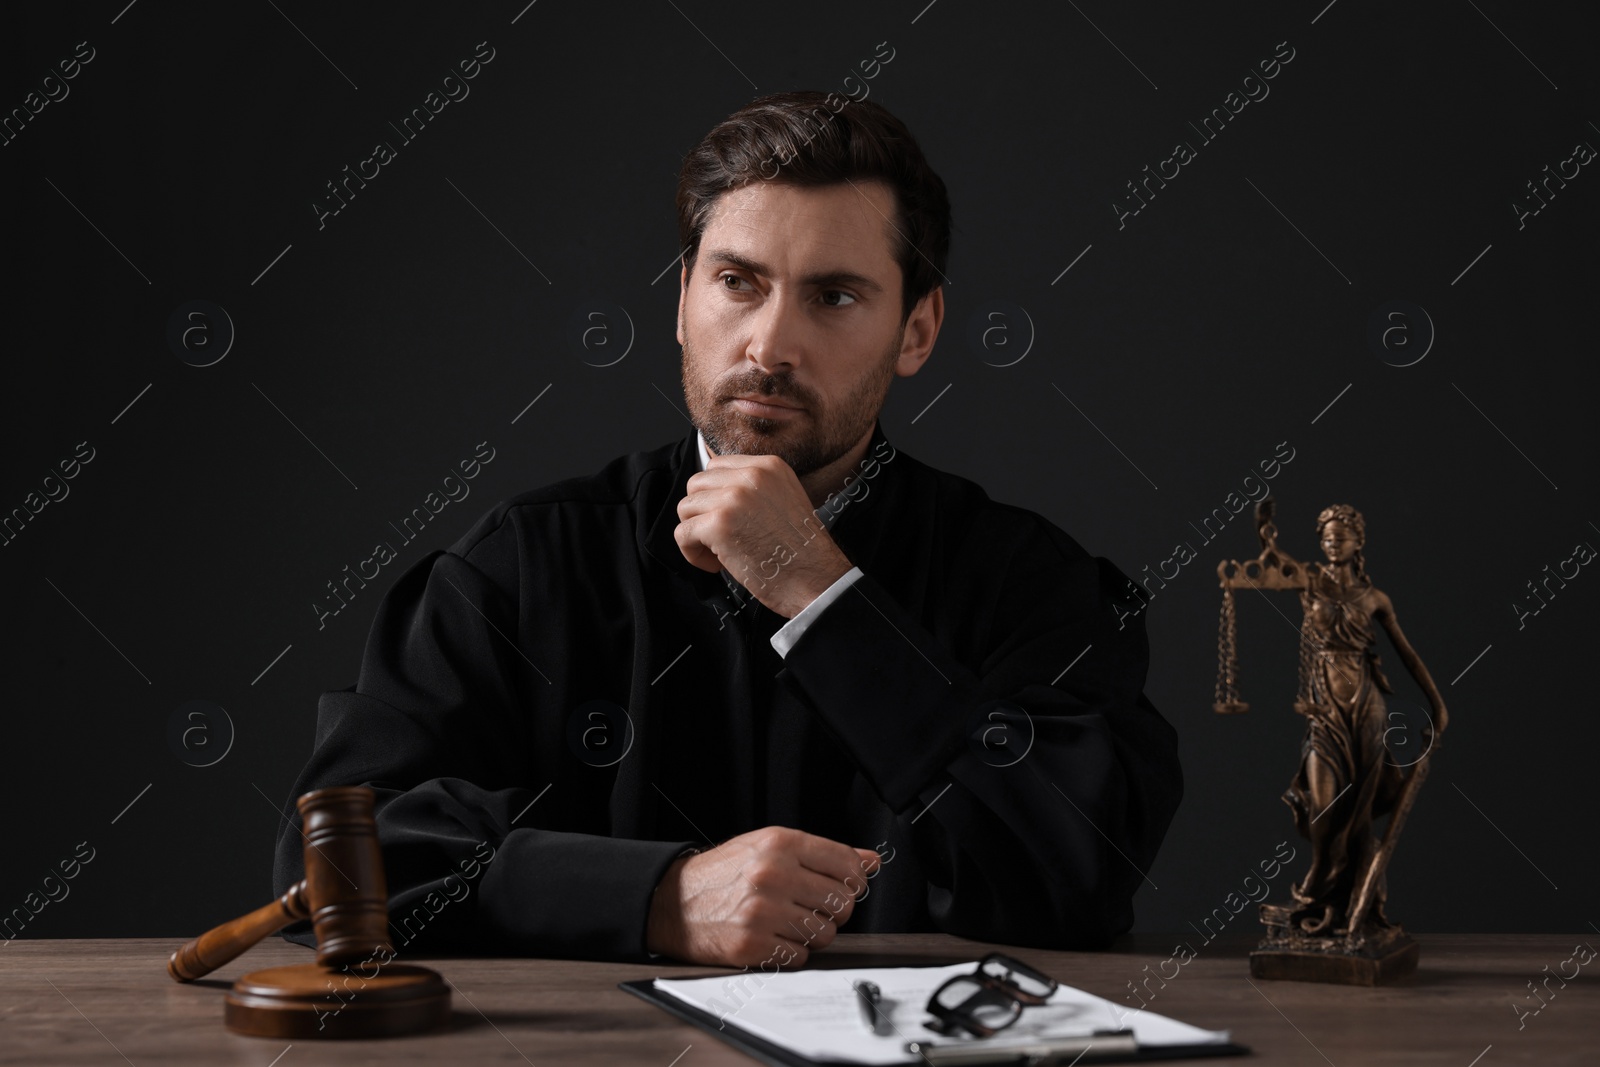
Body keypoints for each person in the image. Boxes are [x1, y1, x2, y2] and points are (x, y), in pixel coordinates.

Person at [272, 90, 1182, 967]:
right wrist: (655, 897)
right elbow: (334, 867)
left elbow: (1084, 872)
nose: (769, 346)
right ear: (682, 301)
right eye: (738, 282)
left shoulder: (1031, 584)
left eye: (833, 297)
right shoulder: (521, 567)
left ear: (918, 329)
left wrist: (820, 592)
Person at [1279, 505, 1448, 934]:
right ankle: (1321, 871)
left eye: (1341, 537)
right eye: (1326, 538)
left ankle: (1354, 906)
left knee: (1361, 805)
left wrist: (1437, 703)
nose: (1333, 544)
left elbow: (1407, 654)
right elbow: (1273, 564)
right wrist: (1265, 536)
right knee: (1323, 804)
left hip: (1367, 705)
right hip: (1323, 709)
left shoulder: (1375, 599)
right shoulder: (1310, 581)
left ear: (1358, 543)